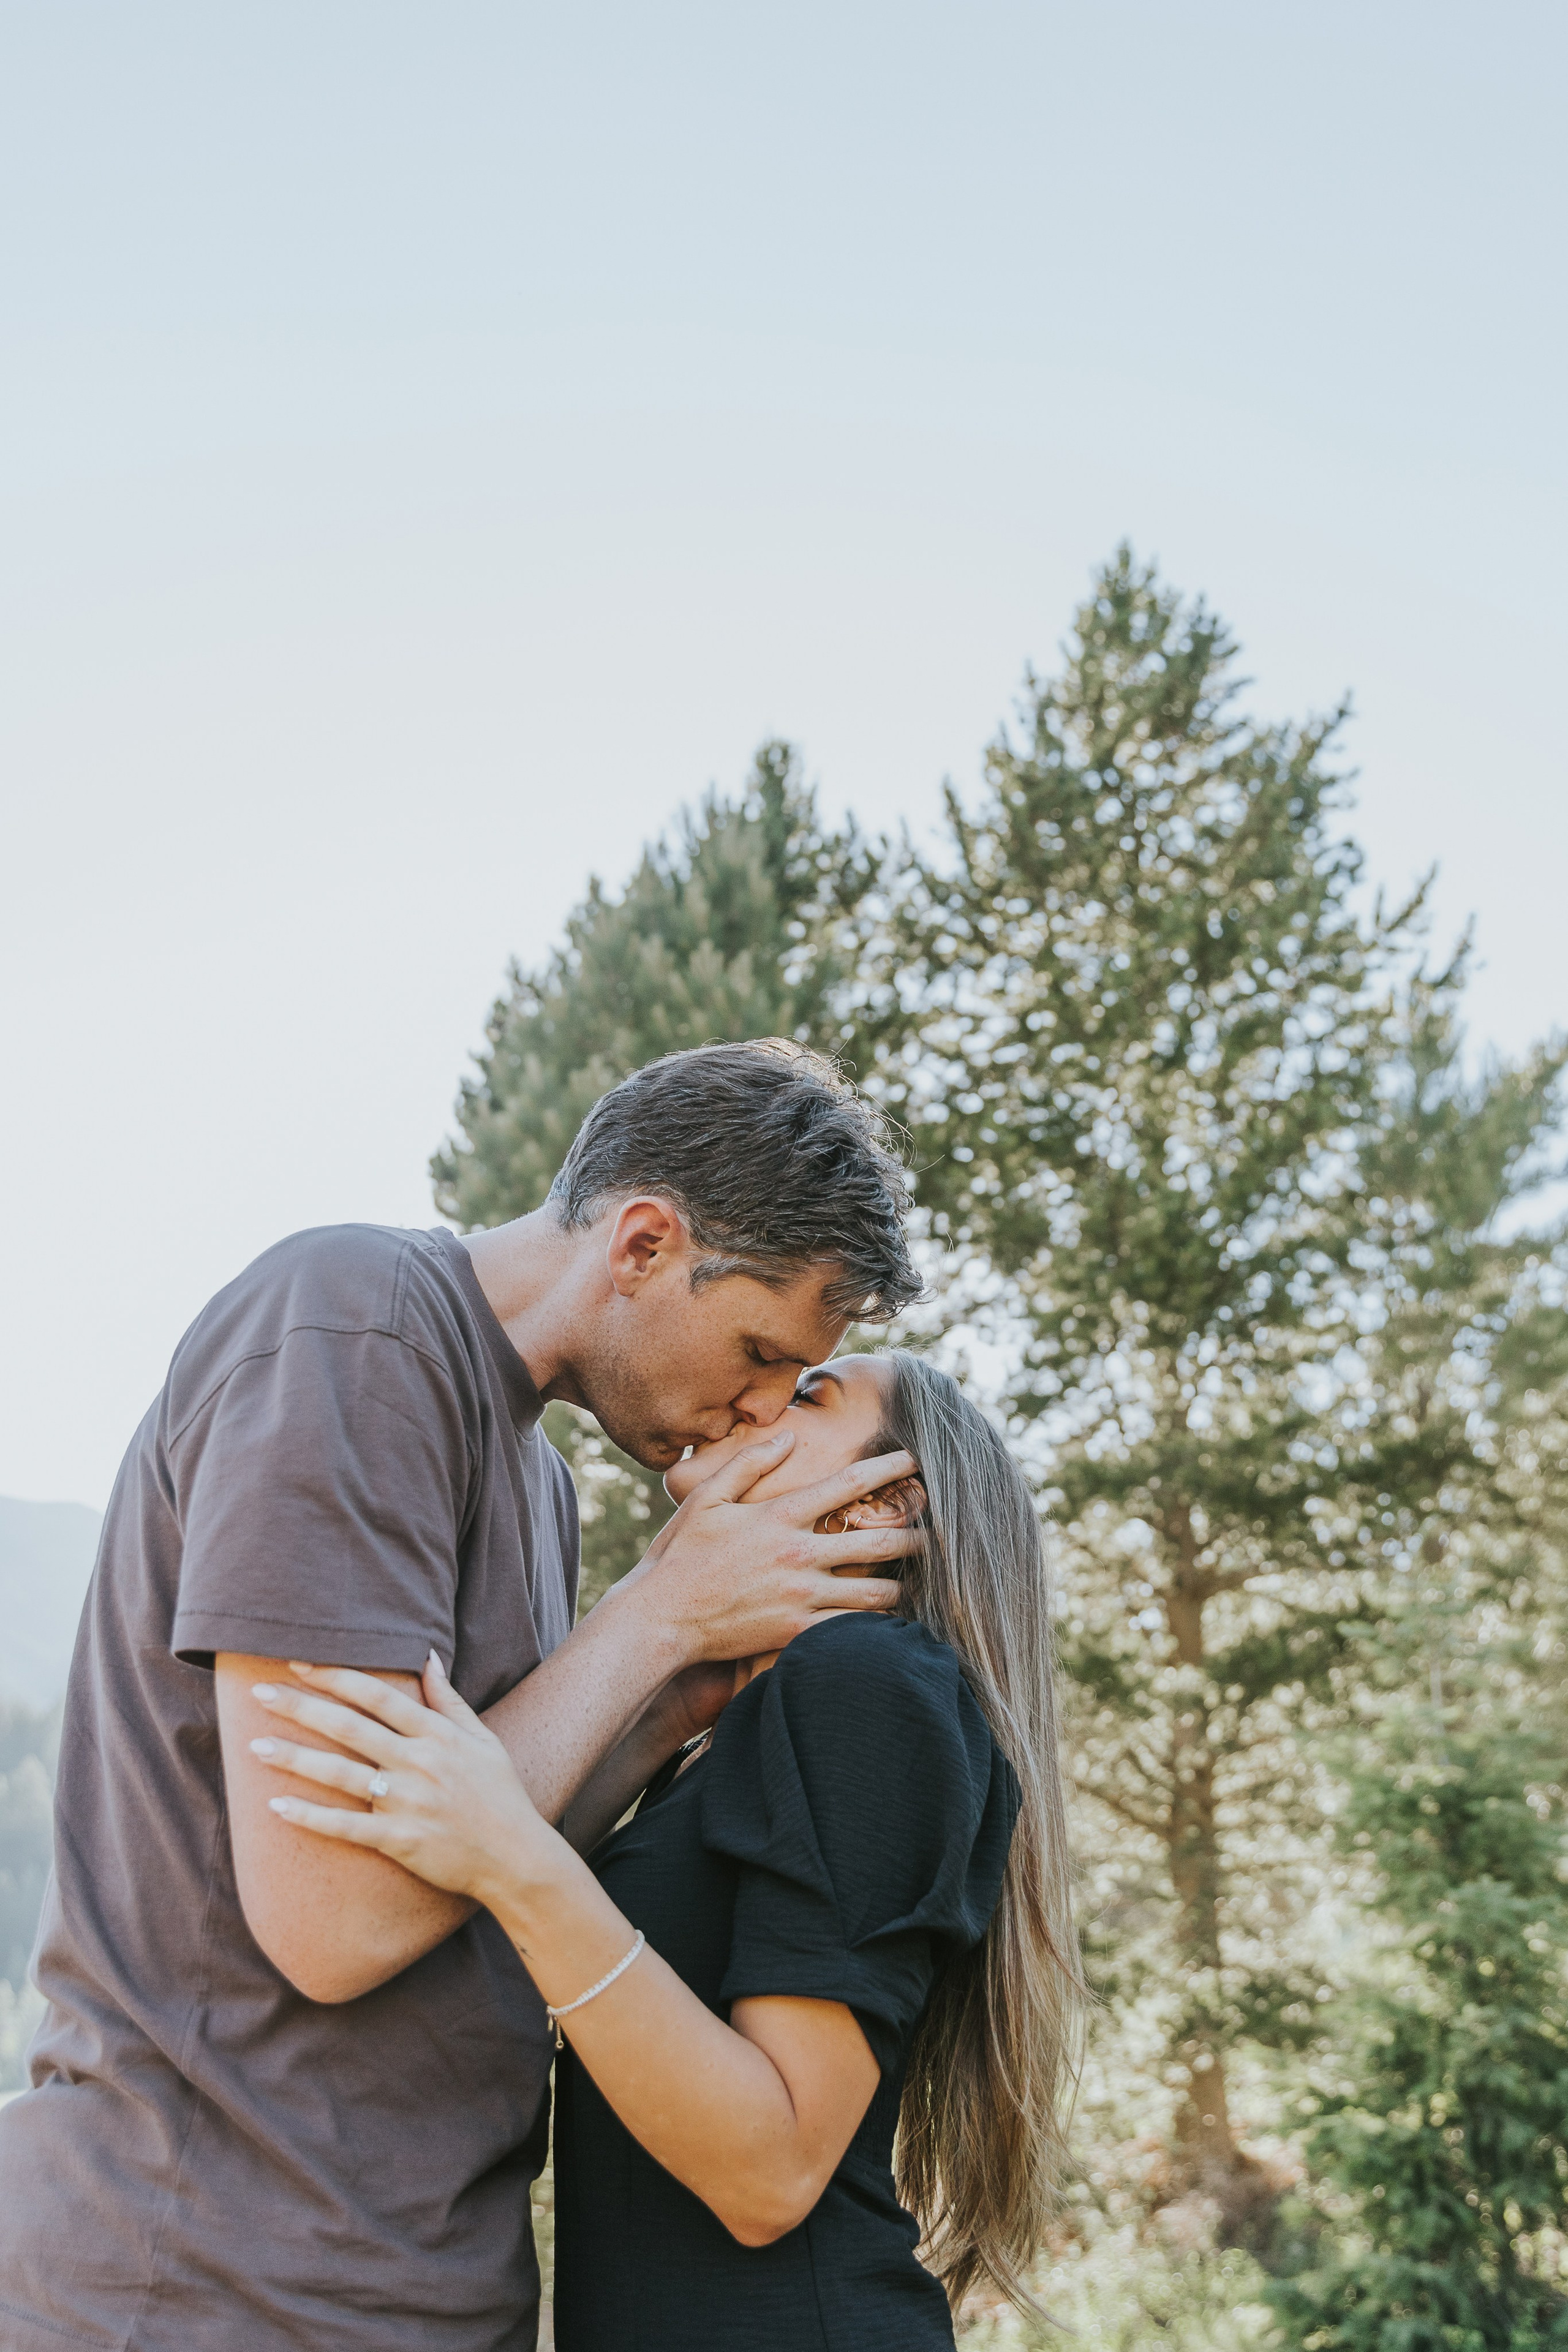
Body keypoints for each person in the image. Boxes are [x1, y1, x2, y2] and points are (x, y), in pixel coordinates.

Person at [0, 1042, 922, 2352]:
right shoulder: (351, 1334)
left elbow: (480, 1837)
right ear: (645, 1244)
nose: (764, 1408)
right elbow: (336, 1917)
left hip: (409, 2293)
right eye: (763, 1349)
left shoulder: (536, 1478)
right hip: (204, 2281)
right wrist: (652, 1615)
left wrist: (671, 1690)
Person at [251, 1348, 1084, 2350]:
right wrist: (659, 1711)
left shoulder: (869, 1682)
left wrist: (516, 1859)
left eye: (810, 1394)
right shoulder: (746, 1720)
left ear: (882, 1501)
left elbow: (770, 2173)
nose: (762, 1397)